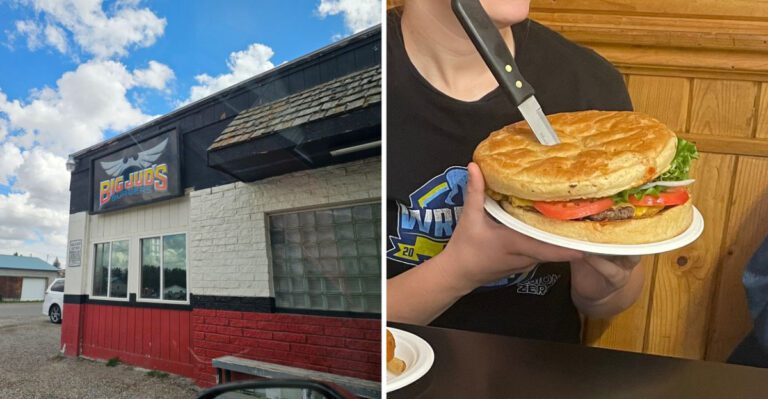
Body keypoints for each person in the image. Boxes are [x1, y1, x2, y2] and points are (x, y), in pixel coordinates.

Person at [386, 0, 644, 343]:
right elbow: (332, 326)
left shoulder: (588, 83)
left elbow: (614, 298)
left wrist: (603, 288)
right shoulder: (363, 82)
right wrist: (458, 272)